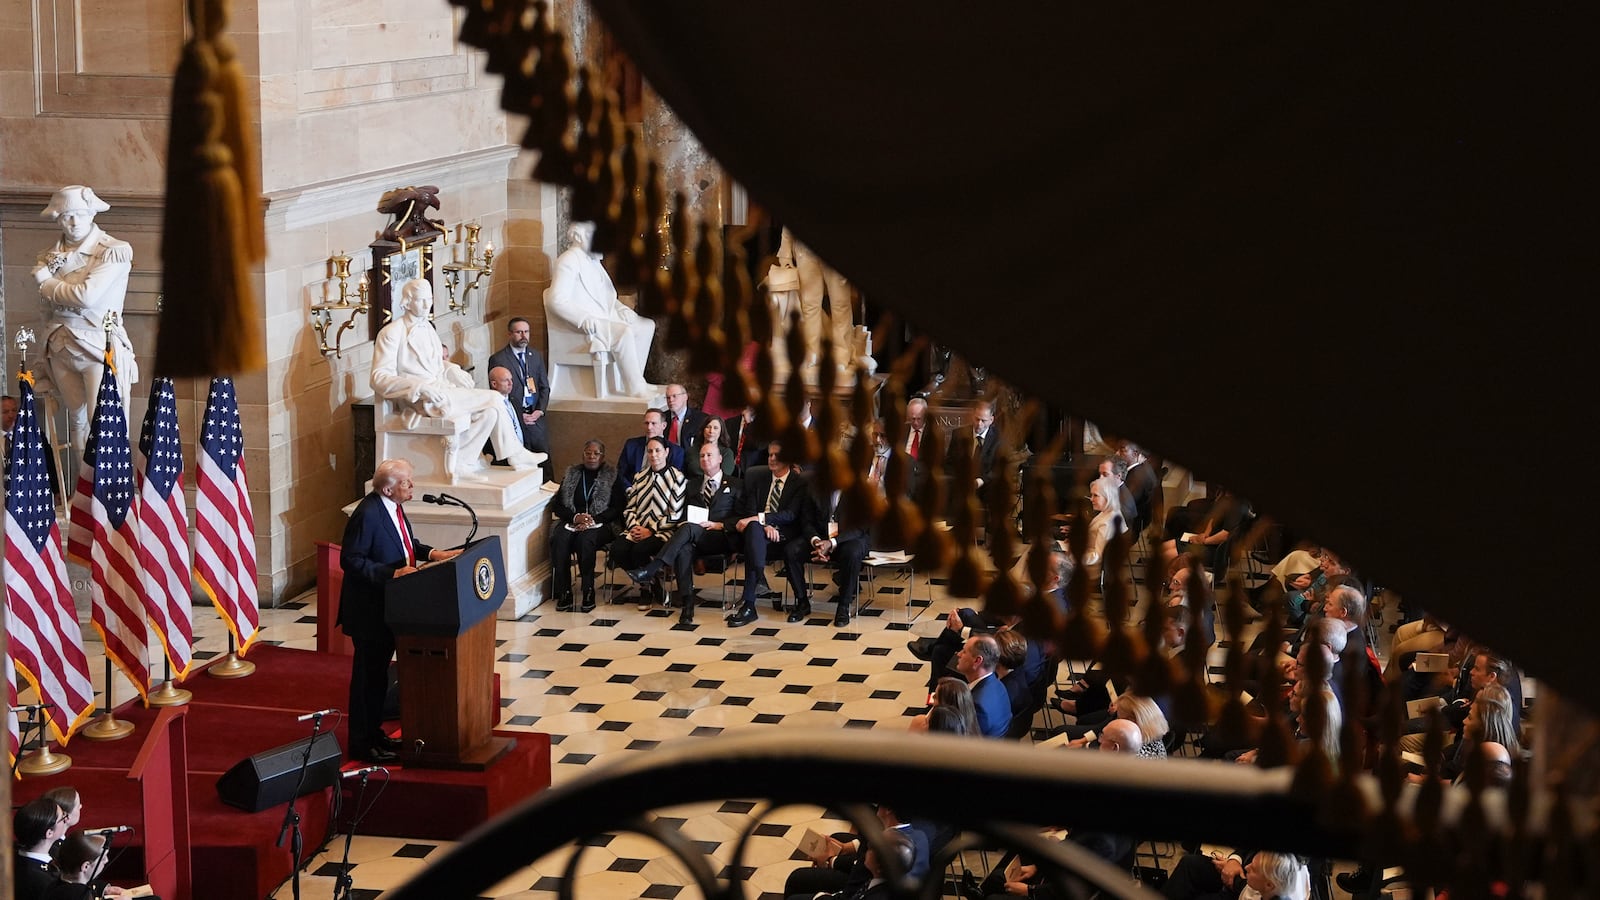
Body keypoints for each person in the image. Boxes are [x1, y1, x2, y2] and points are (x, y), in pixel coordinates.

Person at [338, 458, 462, 763]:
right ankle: (361, 743)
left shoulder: (392, 506)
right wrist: (392, 575)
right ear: (389, 487)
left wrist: (432, 553)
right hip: (369, 613)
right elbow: (351, 561)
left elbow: (406, 544)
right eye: (407, 482)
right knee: (368, 680)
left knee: (380, 678)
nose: (412, 486)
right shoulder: (367, 514)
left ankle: (374, 733)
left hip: (391, 607)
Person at [371, 279, 542, 478]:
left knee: (490, 413)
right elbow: (379, 378)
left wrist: (452, 369)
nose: (427, 305)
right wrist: (418, 387)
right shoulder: (392, 333)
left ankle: (464, 461)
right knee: (495, 398)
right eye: (421, 301)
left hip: (442, 389)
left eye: (430, 300)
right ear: (407, 302)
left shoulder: (427, 327)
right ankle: (516, 456)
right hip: (421, 400)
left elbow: (434, 364)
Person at [33, 186, 138, 451]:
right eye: (67, 215)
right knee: (77, 421)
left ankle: (109, 489)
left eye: (80, 214)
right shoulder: (47, 256)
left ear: (92, 213)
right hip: (60, 343)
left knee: (102, 421)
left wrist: (46, 282)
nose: (74, 221)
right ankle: (84, 490)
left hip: (96, 345)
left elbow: (85, 297)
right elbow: (46, 309)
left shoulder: (113, 251)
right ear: (57, 218)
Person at [623, 440, 739, 624]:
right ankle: (687, 603)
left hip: (721, 536)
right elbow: (682, 513)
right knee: (683, 549)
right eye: (702, 456)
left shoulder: (735, 484)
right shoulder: (692, 485)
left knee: (687, 531)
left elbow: (741, 516)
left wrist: (720, 525)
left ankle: (652, 569)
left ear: (719, 459)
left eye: (709, 455)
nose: (705, 459)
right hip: (694, 535)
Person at [544, 220, 655, 397]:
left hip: (606, 316)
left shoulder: (593, 261)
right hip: (587, 324)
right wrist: (584, 319)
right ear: (581, 236)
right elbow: (555, 299)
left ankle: (634, 380)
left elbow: (605, 295)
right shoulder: (568, 261)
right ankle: (635, 387)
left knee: (645, 326)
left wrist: (620, 308)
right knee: (624, 332)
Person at [725, 441, 810, 627]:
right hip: (760, 533)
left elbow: (790, 514)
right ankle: (749, 604)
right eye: (769, 455)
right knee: (754, 532)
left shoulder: (798, 482)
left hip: (786, 533)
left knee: (754, 535)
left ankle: (753, 601)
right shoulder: (759, 479)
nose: (771, 459)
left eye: (776, 456)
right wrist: (764, 525)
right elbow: (750, 509)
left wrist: (763, 520)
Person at [610, 437, 687, 612]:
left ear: (666, 452)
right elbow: (630, 508)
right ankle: (652, 583)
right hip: (636, 528)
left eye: (658, 450)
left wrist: (650, 530)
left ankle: (646, 590)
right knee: (617, 549)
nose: (654, 455)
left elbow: (675, 514)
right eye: (650, 451)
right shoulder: (640, 477)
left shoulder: (678, 478)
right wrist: (634, 527)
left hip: (662, 531)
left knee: (640, 550)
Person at [549, 440, 621, 612]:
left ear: (602, 457)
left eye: (596, 453)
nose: (591, 457)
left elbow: (618, 507)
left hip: (601, 523)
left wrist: (593, 520)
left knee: (585, 540)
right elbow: (558, 506)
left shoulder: (612, 476)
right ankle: (564, 590)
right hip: (572, 520)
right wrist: (575, 517)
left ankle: (588, 590)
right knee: (559, 539)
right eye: (588, 453)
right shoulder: (572, 474)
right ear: (583, 455)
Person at [785, 487, 870, 626]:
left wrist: (831, 543)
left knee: (852, 553)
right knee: (791, 550)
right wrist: (816, 542)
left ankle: (844, 606)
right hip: (821, 537)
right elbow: (806, 521)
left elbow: (860, 527)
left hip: (849, 538)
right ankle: (802, 602)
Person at [487, 316, 550, 457]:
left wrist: (539, 411)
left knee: (543, 461)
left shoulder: (535, 356)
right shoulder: (499, 359)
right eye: (519, 332)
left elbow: (544, 387)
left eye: (526, 332)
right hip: (514, 419)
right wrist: (518, 415)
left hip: (536, 418)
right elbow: (498, 393)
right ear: (509, 334)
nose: (524, 336)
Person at [45, 832, 131, 899]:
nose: (106, 860)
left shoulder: (56, 884)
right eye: (103, 857)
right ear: (85, 866)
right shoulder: (79, 895)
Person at [617, 408, 686, 490]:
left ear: (664, 425)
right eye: (646, 423)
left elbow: (675, 479)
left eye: (654, 423)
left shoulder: (676, 452)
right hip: (631, 492)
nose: (649, 427)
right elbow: (621, 473)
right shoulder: (631, 445)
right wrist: (629, 489)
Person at [14, 797, 68, 900]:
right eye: (62, 818)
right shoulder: (44, 882)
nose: (66, 819)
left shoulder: (15, 857)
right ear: (49, 833)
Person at [957, 635, 1010, 738]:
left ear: (977, 661)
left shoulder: (977, 704)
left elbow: (965, 740)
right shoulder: (999, 685)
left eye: (964, 652)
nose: (958, 654)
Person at [909, 676, 980, 735]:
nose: (932, 697)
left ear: (946, 704)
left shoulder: (920, 724)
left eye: (936, 697)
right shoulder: (973, 732)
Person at [1119, 442, 1162, 538]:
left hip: (1132, 523)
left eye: (1123, 450)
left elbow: (1125, 506)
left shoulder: (1138, 477)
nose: (1118, 454)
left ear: (1135, 454)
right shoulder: (1138, 469)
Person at [683, 415, 735, 482]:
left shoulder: (727, 453)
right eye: (708, 427)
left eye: (715, 428)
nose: (711, 431)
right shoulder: (692, 451)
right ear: (703, 430)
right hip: (693, 486)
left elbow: (725, 476)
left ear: (721, 431)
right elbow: (685, 472)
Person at [661, 383, 707, 449]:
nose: (671, 400)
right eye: (668, 398)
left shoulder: (700, 419)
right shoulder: (662, 417)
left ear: (685, 397)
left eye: (674, 396)